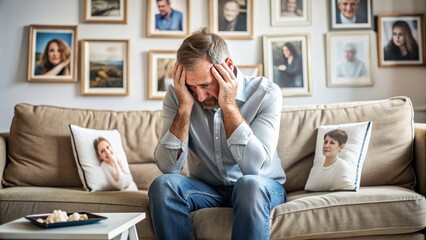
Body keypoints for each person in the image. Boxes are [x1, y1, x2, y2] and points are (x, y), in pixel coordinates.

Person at [148, 28, 286, 240]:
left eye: (205, 85)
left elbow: (254, 168)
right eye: (191, 87)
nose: (201, 97)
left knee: (248, 184)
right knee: (163, 185)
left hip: (261, 187)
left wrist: (229, 106)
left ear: (228, 67)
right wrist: (185, 107)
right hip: (208, 191)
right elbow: (168, 167)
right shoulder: (178, 96)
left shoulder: (266, 93)